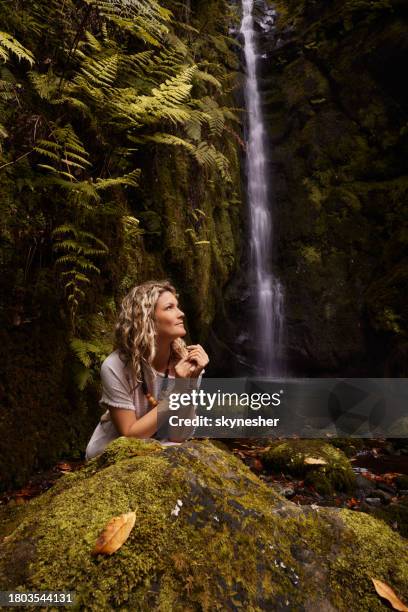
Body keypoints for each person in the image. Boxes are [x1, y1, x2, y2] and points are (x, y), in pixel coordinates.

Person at [85, 280, 209, 460]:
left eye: (178, 307)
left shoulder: (189, 363)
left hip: (162, 448)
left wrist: (185, 384)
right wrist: (177, 393)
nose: (181, 313)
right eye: (169, 308)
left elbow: (179, 435)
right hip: (114, 452)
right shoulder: (116, 366)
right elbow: (130, 435)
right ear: (146, 319)